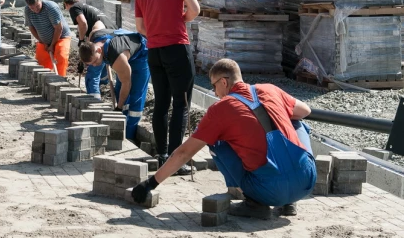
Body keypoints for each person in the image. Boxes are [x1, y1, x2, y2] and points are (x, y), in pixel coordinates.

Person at [131, 59, 316, 219]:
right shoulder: (269, 89)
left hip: (269, 192)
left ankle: (255, 204)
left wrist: (151, 183)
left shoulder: (220, 110)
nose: (214, 92)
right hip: (306, 182)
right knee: (297, 123)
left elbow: (185, 152)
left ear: (224, 82)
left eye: (214, 86)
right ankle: (290, 202)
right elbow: (305, 111)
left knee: (216, 142)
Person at [134, 0, 201, 175]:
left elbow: (140, 28)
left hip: (154, 51)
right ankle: (176, 160)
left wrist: (155, 34)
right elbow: (195, 9)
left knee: (162, 103)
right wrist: (182, 19)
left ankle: (162, 154)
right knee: (181, 104)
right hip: (177, 48)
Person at [78, 29, 150, 139]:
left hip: (141, 54)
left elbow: (127, 83)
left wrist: (119, 108)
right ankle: (120, 127)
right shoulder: (95, 38)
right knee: (119, 92)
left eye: (95, 61)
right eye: (90, 64)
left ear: (98, 50)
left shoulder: (116, 57)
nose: (95, 65)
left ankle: (129, 135)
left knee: (135, 95)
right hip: (125, 53)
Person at [61, 0, 116, 98]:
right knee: (102, 67)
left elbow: (83, 23)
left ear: (66, 3)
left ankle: (93, 102)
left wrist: (81, 41)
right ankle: (103, 88)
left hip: (101, 36)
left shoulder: (74, 8)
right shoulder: (85, 6)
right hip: (113, 36)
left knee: (92, 74)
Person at [24, 0, 72, 77]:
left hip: (61, 36)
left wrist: (52, 45)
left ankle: (60, 79)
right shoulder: (27, 10)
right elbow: (31, 28)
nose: (35, 10)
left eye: (37, 6)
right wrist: (42, 41)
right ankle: (45, 79)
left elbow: (58, 28)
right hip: (44, 40)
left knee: (61, 56)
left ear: (40, 0)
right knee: (41, 61)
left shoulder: (51, 8)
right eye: (32, 8)